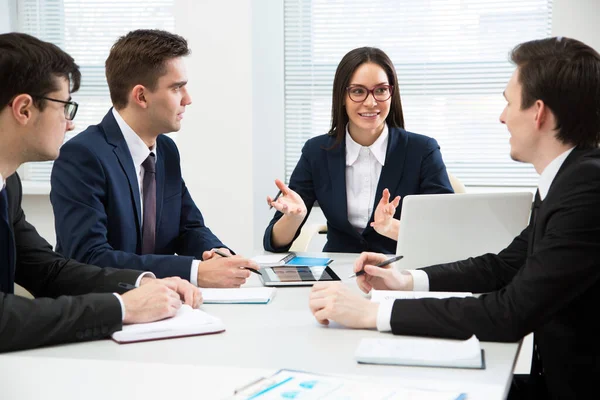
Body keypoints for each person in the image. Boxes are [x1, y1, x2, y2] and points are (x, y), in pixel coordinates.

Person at [308, 37, 600, 399]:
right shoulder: (567, 180)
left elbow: (509, 314)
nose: (502, 116)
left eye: (509, 103)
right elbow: (502, 266)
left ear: (538, 112)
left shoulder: (587, 189)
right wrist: (407, 281)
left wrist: (373, 314)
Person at [0, 32, 202, 353]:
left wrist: (143, 282)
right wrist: (124, 308)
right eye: (65, 107)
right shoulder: (84, 154)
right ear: (24, 109)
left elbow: (48, 269)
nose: (70, 124)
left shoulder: (7, 184)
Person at [50, 29, 258, 288]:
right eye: (177, 88)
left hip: (161, 305)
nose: (188, 99)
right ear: (141, 96)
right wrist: (194, 271)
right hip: (103, 308)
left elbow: (188, 227)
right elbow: (89, 257)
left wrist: (215, 253)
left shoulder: (166, 150)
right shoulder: (82, 156)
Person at [264, 47, 453, 254]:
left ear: (392, 93)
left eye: (380, 90)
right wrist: (295, 218)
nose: (371, 102)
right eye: (358, 91)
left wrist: (392, 229)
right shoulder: (316, 152)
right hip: (337, 272)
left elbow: (445, 233)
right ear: (342, 97)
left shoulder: (422, 150)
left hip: (401, 272)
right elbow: (274, 243)